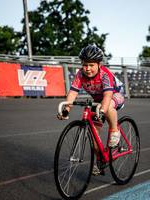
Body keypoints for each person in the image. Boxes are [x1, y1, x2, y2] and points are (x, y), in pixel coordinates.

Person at [57, 44, 125, 175]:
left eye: (91, 65)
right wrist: (66, 110)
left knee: (108, 105)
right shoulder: (80, 75)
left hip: (115, 95)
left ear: (99, 64)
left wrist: (102, 111)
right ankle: (101, 160)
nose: (87, 69)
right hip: (99, 100)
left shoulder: (105, 75)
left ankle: (115, 131)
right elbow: (72, 93)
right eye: (84, 65)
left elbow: (107, 96)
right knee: (94, 138)